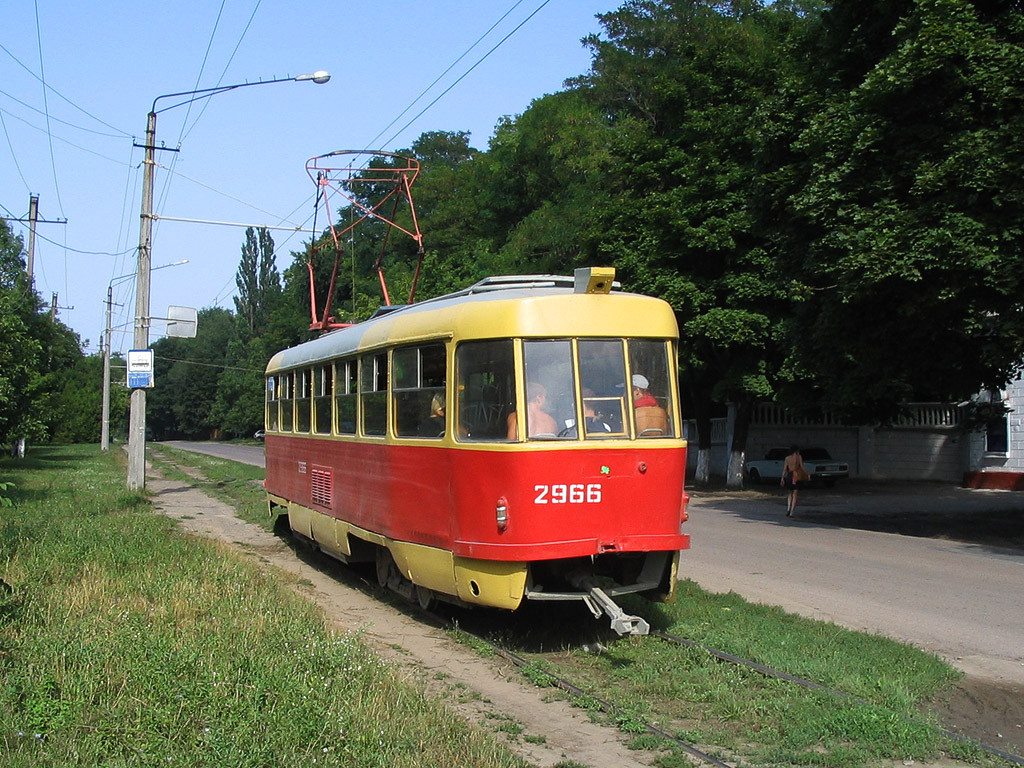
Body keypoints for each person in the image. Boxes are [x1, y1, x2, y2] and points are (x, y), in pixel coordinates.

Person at [781, 445, 809, 517]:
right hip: (796, 475)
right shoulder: (799, 457)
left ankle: (788, 508)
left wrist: (782, 478)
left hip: (789, 475)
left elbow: (785, 469)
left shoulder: (787, 458)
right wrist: (807, 474)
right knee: (795, 494)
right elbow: (802, 466)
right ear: (796, 450)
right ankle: (792, 512)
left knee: (789, 493)